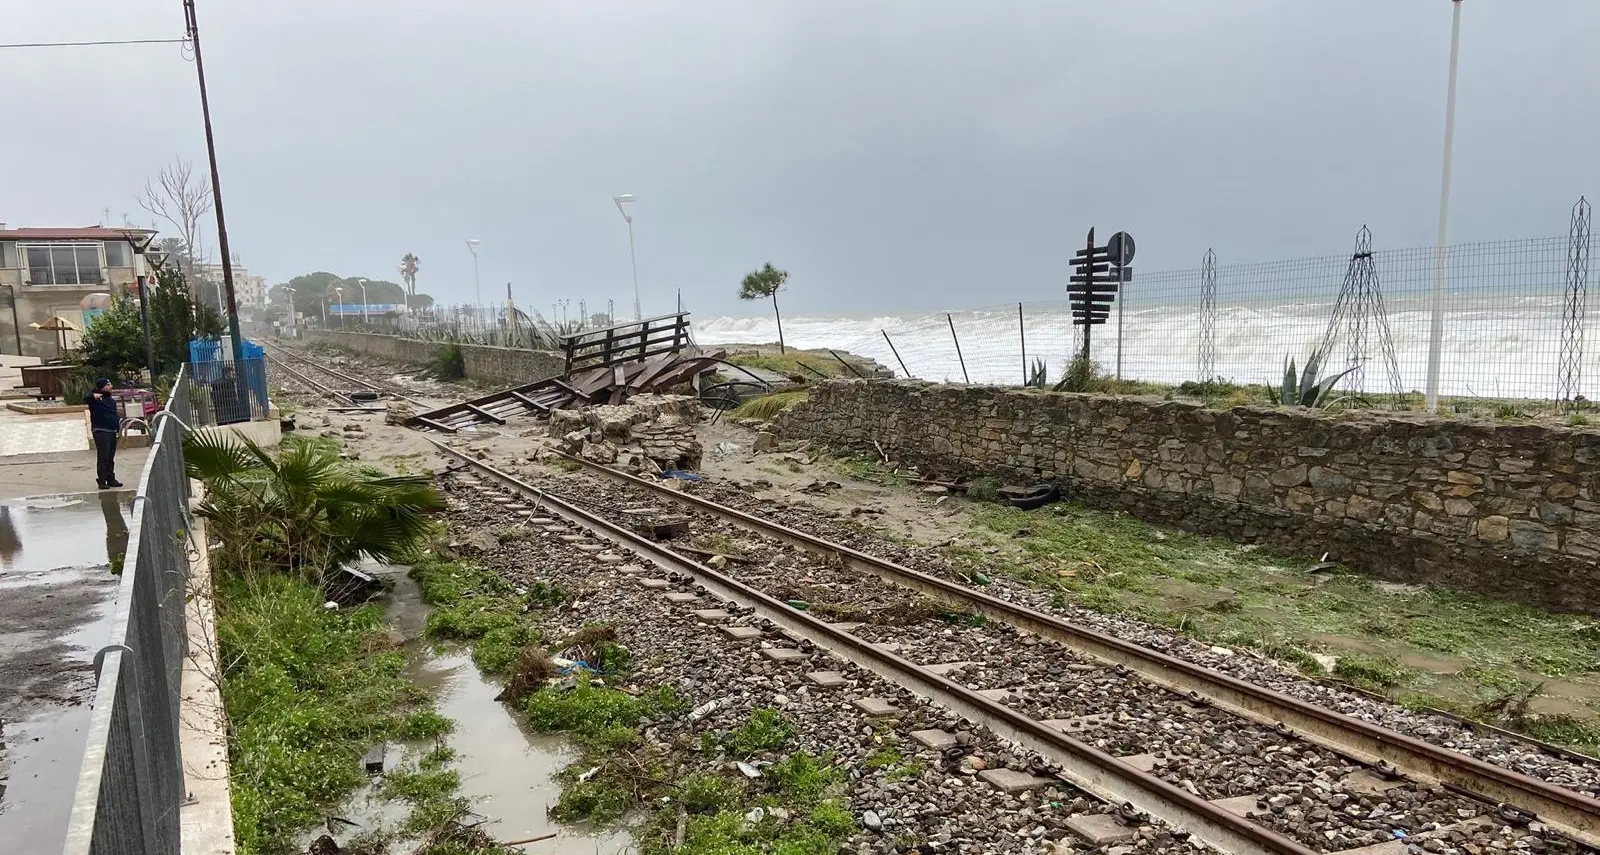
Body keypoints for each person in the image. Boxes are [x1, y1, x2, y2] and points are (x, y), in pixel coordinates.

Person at [85, 378, 122, 489]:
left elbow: (114, 414)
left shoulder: (111, 400)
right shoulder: (95, 399)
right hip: (101, 431)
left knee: (110, 457)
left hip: (112, 431)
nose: (111, 386)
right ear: (102, 387)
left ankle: (111, 478)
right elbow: (86, 398)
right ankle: (102, 480)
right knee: (103, 456)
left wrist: (118, 428)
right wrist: (93, 395)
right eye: (108, 384)